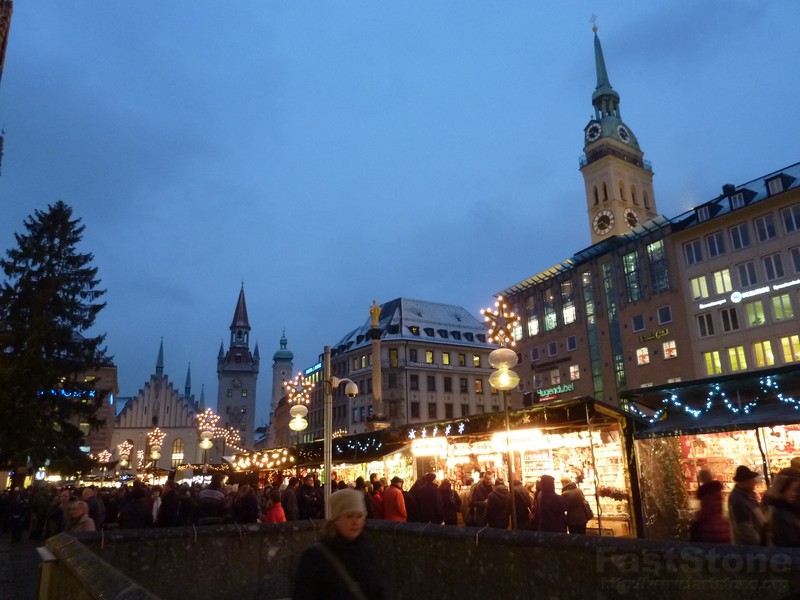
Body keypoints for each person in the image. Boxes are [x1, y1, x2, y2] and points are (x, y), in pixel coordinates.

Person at [293, 488, 384, 599]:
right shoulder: (315, 558)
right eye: (349, 516)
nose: (355, 522)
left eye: (360, 516)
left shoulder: (366, 550)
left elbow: (378, 590)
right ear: (336, 519)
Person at [728, 465, 765, 545]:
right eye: (751, 480)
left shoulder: (748, 495)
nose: (754, 482)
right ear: (744, 482)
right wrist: (760, 543)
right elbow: (745, 528)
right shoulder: (738, 500)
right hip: (749, 546)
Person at [689, 479, 730, 544]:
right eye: (717, 498)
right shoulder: (705, 527)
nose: (720, 502)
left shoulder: (700, 525)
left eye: (720, 498)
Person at [766, 470, 800, 547]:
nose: (795, 494)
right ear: (782, 490)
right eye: (792, 490)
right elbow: (791, 541)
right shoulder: (781, 514)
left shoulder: (790, 508)